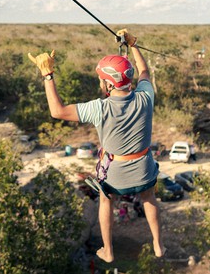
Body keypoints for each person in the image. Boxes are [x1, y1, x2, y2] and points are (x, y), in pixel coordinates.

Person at [28, 29, 164, 263]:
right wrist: (133, 45)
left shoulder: (99, 108)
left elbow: (57, 111)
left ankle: (108, 251)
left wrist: (47, 74)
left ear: (109, 84)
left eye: (102, 80)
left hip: (115, 173)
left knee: (105, 200)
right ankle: (158, 244)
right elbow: (144, 71)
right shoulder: (145, 97)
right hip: (143, 167)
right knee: (149, 197)